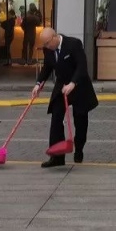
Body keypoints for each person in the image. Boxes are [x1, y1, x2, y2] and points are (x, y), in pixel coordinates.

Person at [32, 28, 99, 168]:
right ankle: (57, 156)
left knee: (80, 120)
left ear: (55, 37)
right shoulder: (48, 50)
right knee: (56, 117)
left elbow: (82, 66)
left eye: (47, 43)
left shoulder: (74, 44)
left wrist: (73, 83)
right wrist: (38, 84)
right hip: (62, 86)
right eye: (44, 44)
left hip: (79, 85)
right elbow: (47, 67)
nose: (46, 46)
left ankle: (79, 148)